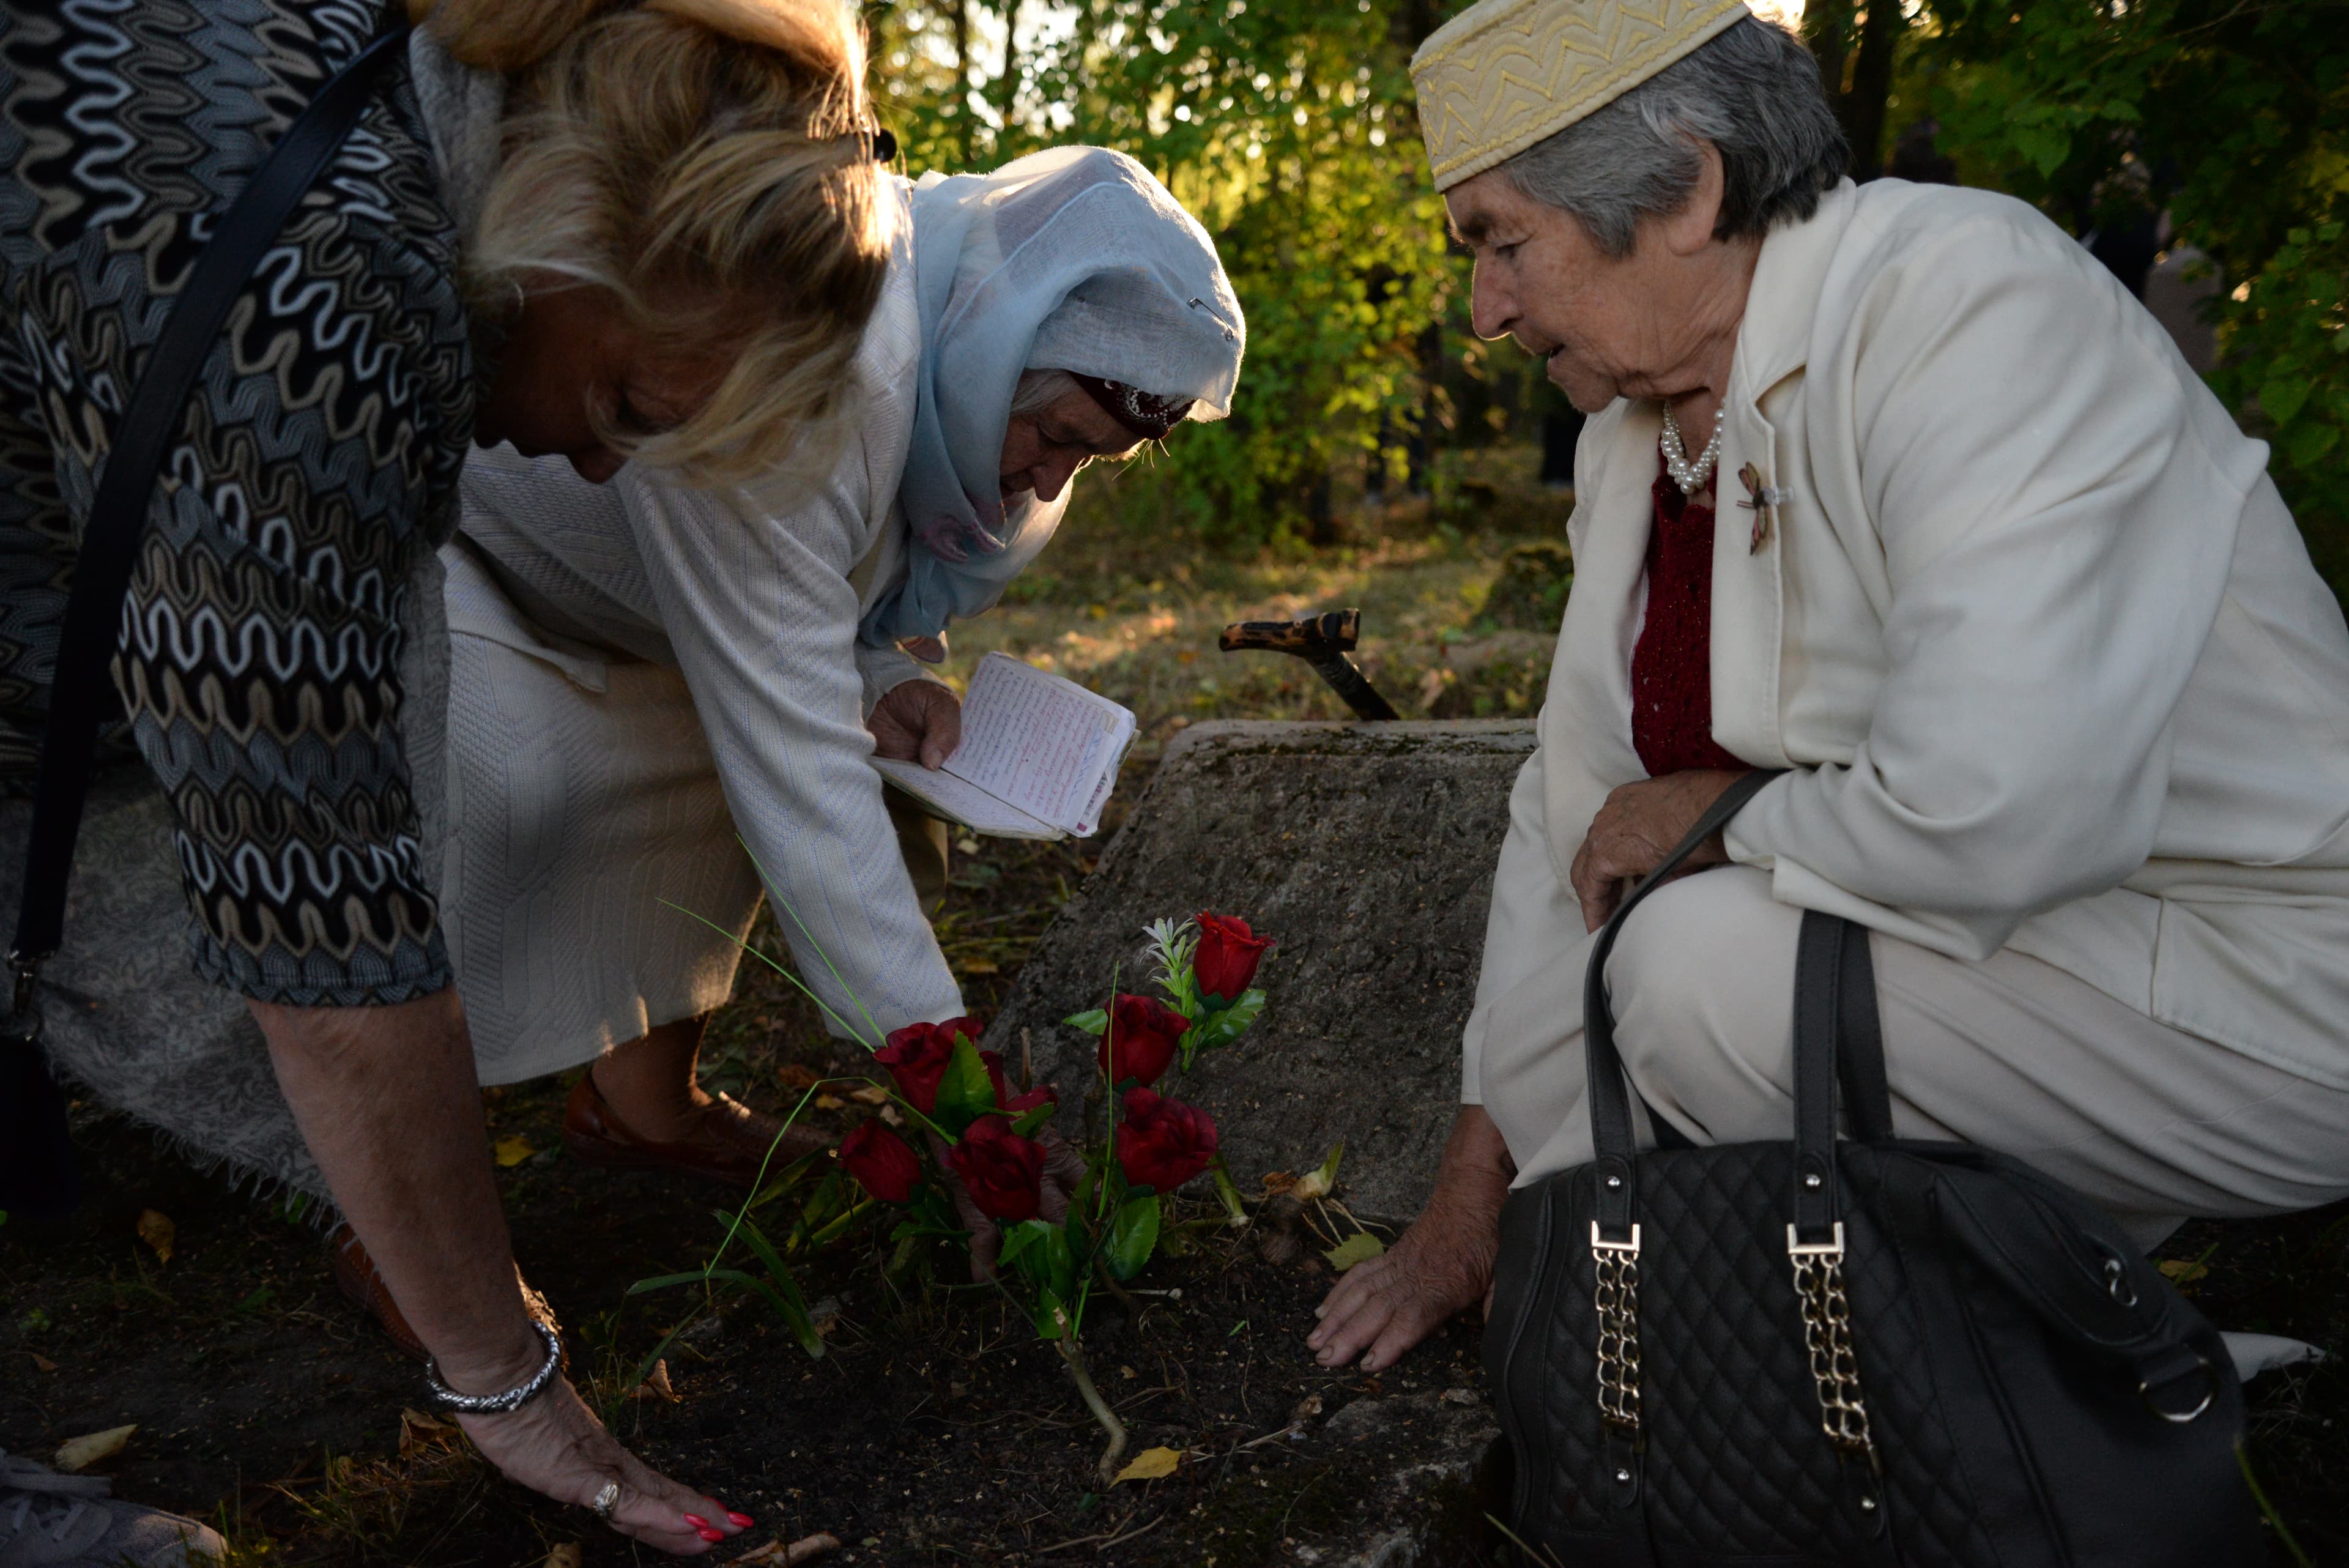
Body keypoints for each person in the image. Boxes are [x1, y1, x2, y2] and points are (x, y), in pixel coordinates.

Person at [1310, 0, 2349, 1377]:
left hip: (2261, 981)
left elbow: (2006, 806)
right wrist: (1469, 1212)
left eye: (1504, 242)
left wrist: (1719, 813)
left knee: (1686, 972)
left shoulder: (1969, 301)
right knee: (1643, 970)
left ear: (1687, 186)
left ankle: (2040, 1354)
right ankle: (1961, 1318)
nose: (1487, 309)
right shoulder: (1637, 436)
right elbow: (1568, 807)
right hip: (2020, 971)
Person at [0, 0, 889, 1555]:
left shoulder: (383, 86)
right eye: (624, 407)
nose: (601, 471)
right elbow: (324, 929)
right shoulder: (321, 299)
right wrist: (510, 1382)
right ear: (571, 235)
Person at [436, 146, 1244, 1192]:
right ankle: (406, 1183)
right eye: (1052, 435)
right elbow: (795, 757)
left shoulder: (957, 361)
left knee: (749, 762)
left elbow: (812, 590)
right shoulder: (809, 373)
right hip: (458, 543)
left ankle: (641, 1107)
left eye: (1085, 460)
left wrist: (875, 678)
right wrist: (959, 1095)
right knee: (523, 786)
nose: (1048, 482)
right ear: (992, 345)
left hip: (653, 603)